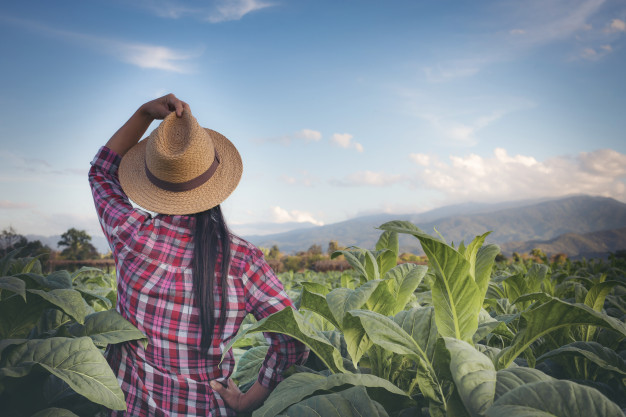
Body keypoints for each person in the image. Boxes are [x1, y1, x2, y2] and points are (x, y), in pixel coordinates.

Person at [89, 94, 309, 416]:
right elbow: (293, 340)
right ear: (216, 182)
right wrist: (248, 400)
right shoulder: (244, 261)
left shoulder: (131, 234)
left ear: (152, 182)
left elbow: (101, 173)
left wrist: (143, 114)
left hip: (129, 405)